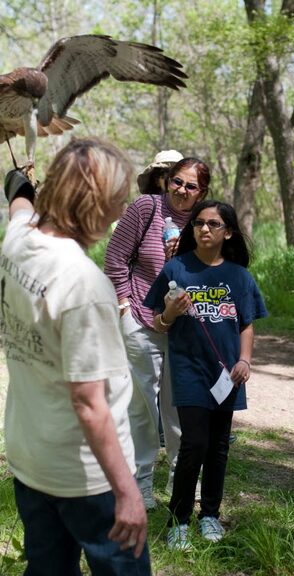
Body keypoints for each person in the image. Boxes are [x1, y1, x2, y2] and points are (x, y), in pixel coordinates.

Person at [0, 139, 149, 574]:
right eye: (116, 202)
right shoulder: (84, 285)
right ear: (93, 202)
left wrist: (19, 184)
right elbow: (89, 403)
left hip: (31, 459)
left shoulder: (18, 240)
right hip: (87, 477)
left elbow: (19, 204)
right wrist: (127, 492)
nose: (120, 213)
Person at [144, 200, 267, 550]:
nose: (205, 229)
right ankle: (179, 520)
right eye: (198, 223)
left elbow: (246, 324)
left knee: (218, 447)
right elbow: (159, 322)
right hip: (188, 370)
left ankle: (209, 515)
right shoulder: (176, 268)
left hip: (227, 373)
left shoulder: (239, 276)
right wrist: (169, 311)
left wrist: (245, 360)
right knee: (193, 444)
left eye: (213, 224)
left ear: (227, 232)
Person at [104, 154, 206, 510]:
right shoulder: (145, 208)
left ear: (201, 191)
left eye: (190, 185)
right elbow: (116, 258)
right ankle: (140, 484)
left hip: (185, 326)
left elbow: (216, 268)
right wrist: (122, 303)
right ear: (165, 180)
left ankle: (182, 482)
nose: (181, 189)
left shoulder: (204, 219)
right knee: (142, 406)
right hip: (140, 317)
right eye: (176, 181)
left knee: (180, 407)